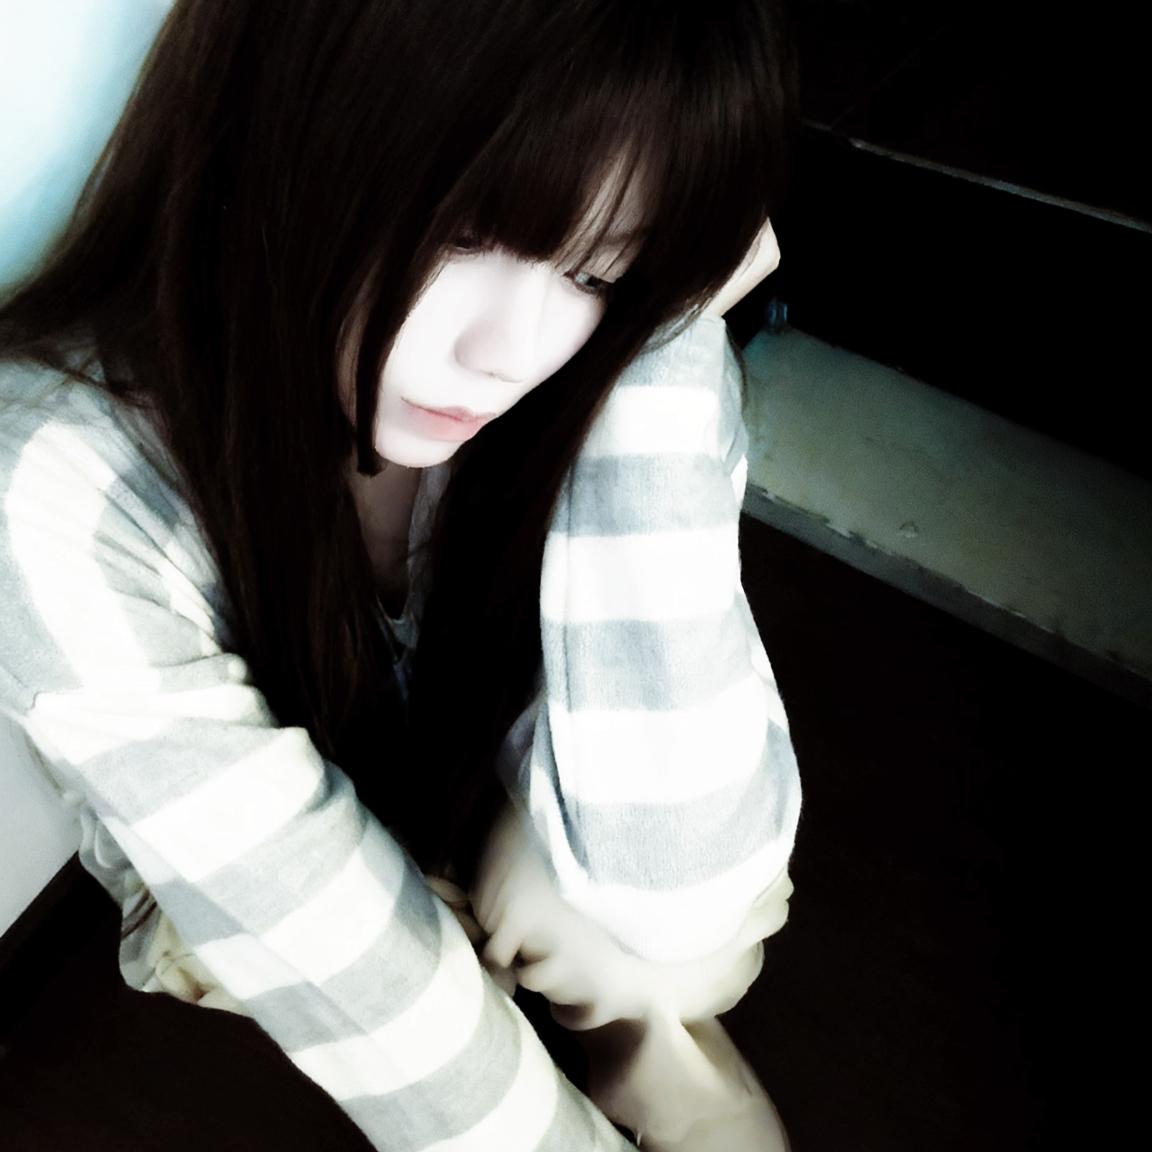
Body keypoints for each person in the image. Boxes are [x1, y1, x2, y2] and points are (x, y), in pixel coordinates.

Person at [0, 1, 802, 1149]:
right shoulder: (59, 487)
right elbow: (358, 974)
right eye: (469, 230)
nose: (511, 354)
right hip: (255, 859)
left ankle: (623, 1027)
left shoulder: (597, 357)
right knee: (385, 959)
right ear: (282, 124)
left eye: (596, 270)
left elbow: (686, 875)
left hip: (474, 767)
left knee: (678, 941)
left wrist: (659, 336)